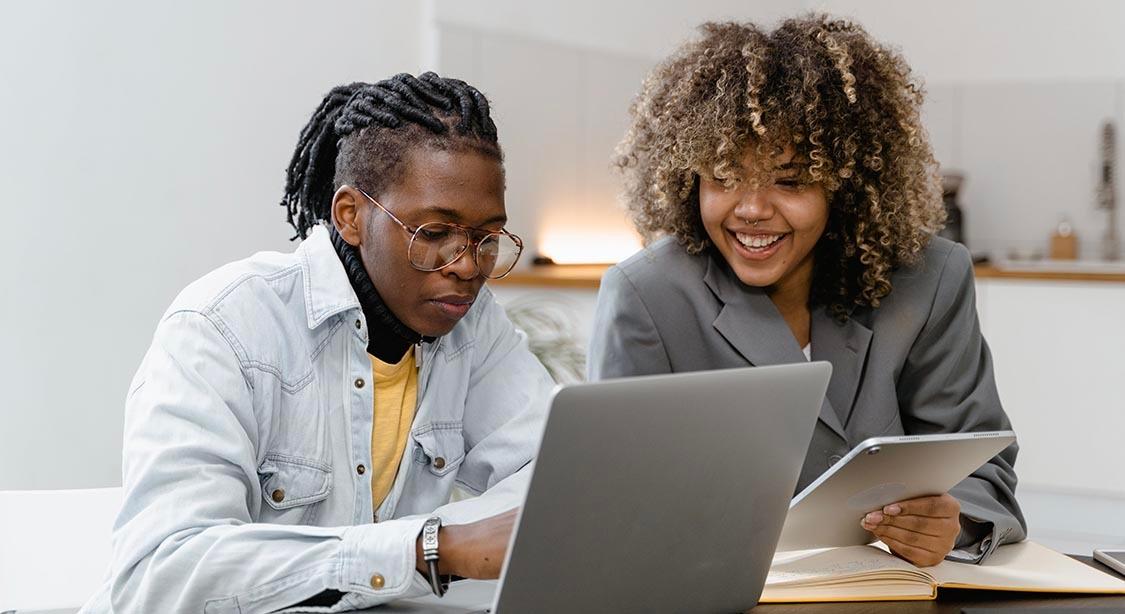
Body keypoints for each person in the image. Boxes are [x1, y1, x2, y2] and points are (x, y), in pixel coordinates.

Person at [81, 72, 554, 613]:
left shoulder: (472, 326)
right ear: (351, 216)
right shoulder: (224, 325)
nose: (467, 266)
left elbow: (553, 480)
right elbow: (163, 572)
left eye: (486, 238)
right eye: (434, 233)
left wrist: (435, 549)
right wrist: (428, 550)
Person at [587, 16, 1026, 566]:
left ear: (844, 183)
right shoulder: (646, 297)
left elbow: (983, 468)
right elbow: (617, 501)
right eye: (723, 176)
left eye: (790, 180)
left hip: (894, 589)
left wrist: (952, 522)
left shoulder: (930, 279)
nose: (752, 209)